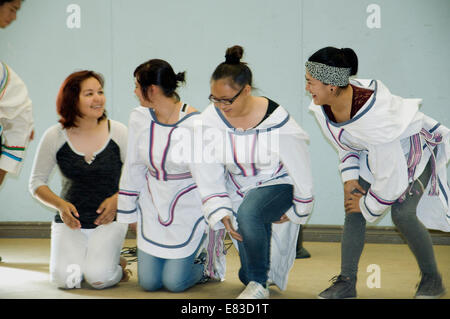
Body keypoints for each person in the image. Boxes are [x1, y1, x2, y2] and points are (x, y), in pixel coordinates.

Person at [306, 46, 449, 299]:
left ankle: (432, 279)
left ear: (331, 85)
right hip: (377, 155)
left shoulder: (375, 119)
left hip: (413, 152)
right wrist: (350, 179)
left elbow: (390, 178)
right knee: (353, 205)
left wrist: (368, 204)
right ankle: (346, 283)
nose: (307, 88)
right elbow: (346, 145)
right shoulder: (322, 106)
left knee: (403, 213)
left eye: (311, 82)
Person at [191, 45, 314, 299]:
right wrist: (220, 208)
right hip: (236, 189)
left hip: (278, 183)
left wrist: (299, 207)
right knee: (245, 270)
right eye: (215, 99)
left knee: (251, 211)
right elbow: (206, 168)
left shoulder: (276, 119)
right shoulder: (209, 120)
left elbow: (300, 165)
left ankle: (259, 285)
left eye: (228, 100)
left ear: (246, 90)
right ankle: (254, 277)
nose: (221, 106)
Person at [117, 59, 225, 293]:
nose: (134, 91)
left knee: (174, 283)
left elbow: (208, 176)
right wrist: (129, 212)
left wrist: (216, 214)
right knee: (149, 283)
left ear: (152, 90)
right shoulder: (139, 117)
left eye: (137, 86)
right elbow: (133, 166)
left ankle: (208, 264)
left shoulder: (196, 123)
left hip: (188, 205)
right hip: (152, 204)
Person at [29, 70, 130, 289]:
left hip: (109, 221)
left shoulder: (119, 132)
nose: (98, 98)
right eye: (89, 93)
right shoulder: (55, 135)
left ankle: (116, 265)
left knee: (98, 279)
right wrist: (61, 206)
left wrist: (118, 199)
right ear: (72, 99)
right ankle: (89, 259)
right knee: (66, 281)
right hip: (71, 222)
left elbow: (137, 178)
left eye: (100, 92)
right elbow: (36, 182)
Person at [0, 0, 33, 188]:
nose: (14, 18)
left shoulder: (4, 75)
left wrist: (4, 167)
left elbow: (21, 121)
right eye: (12, 9)